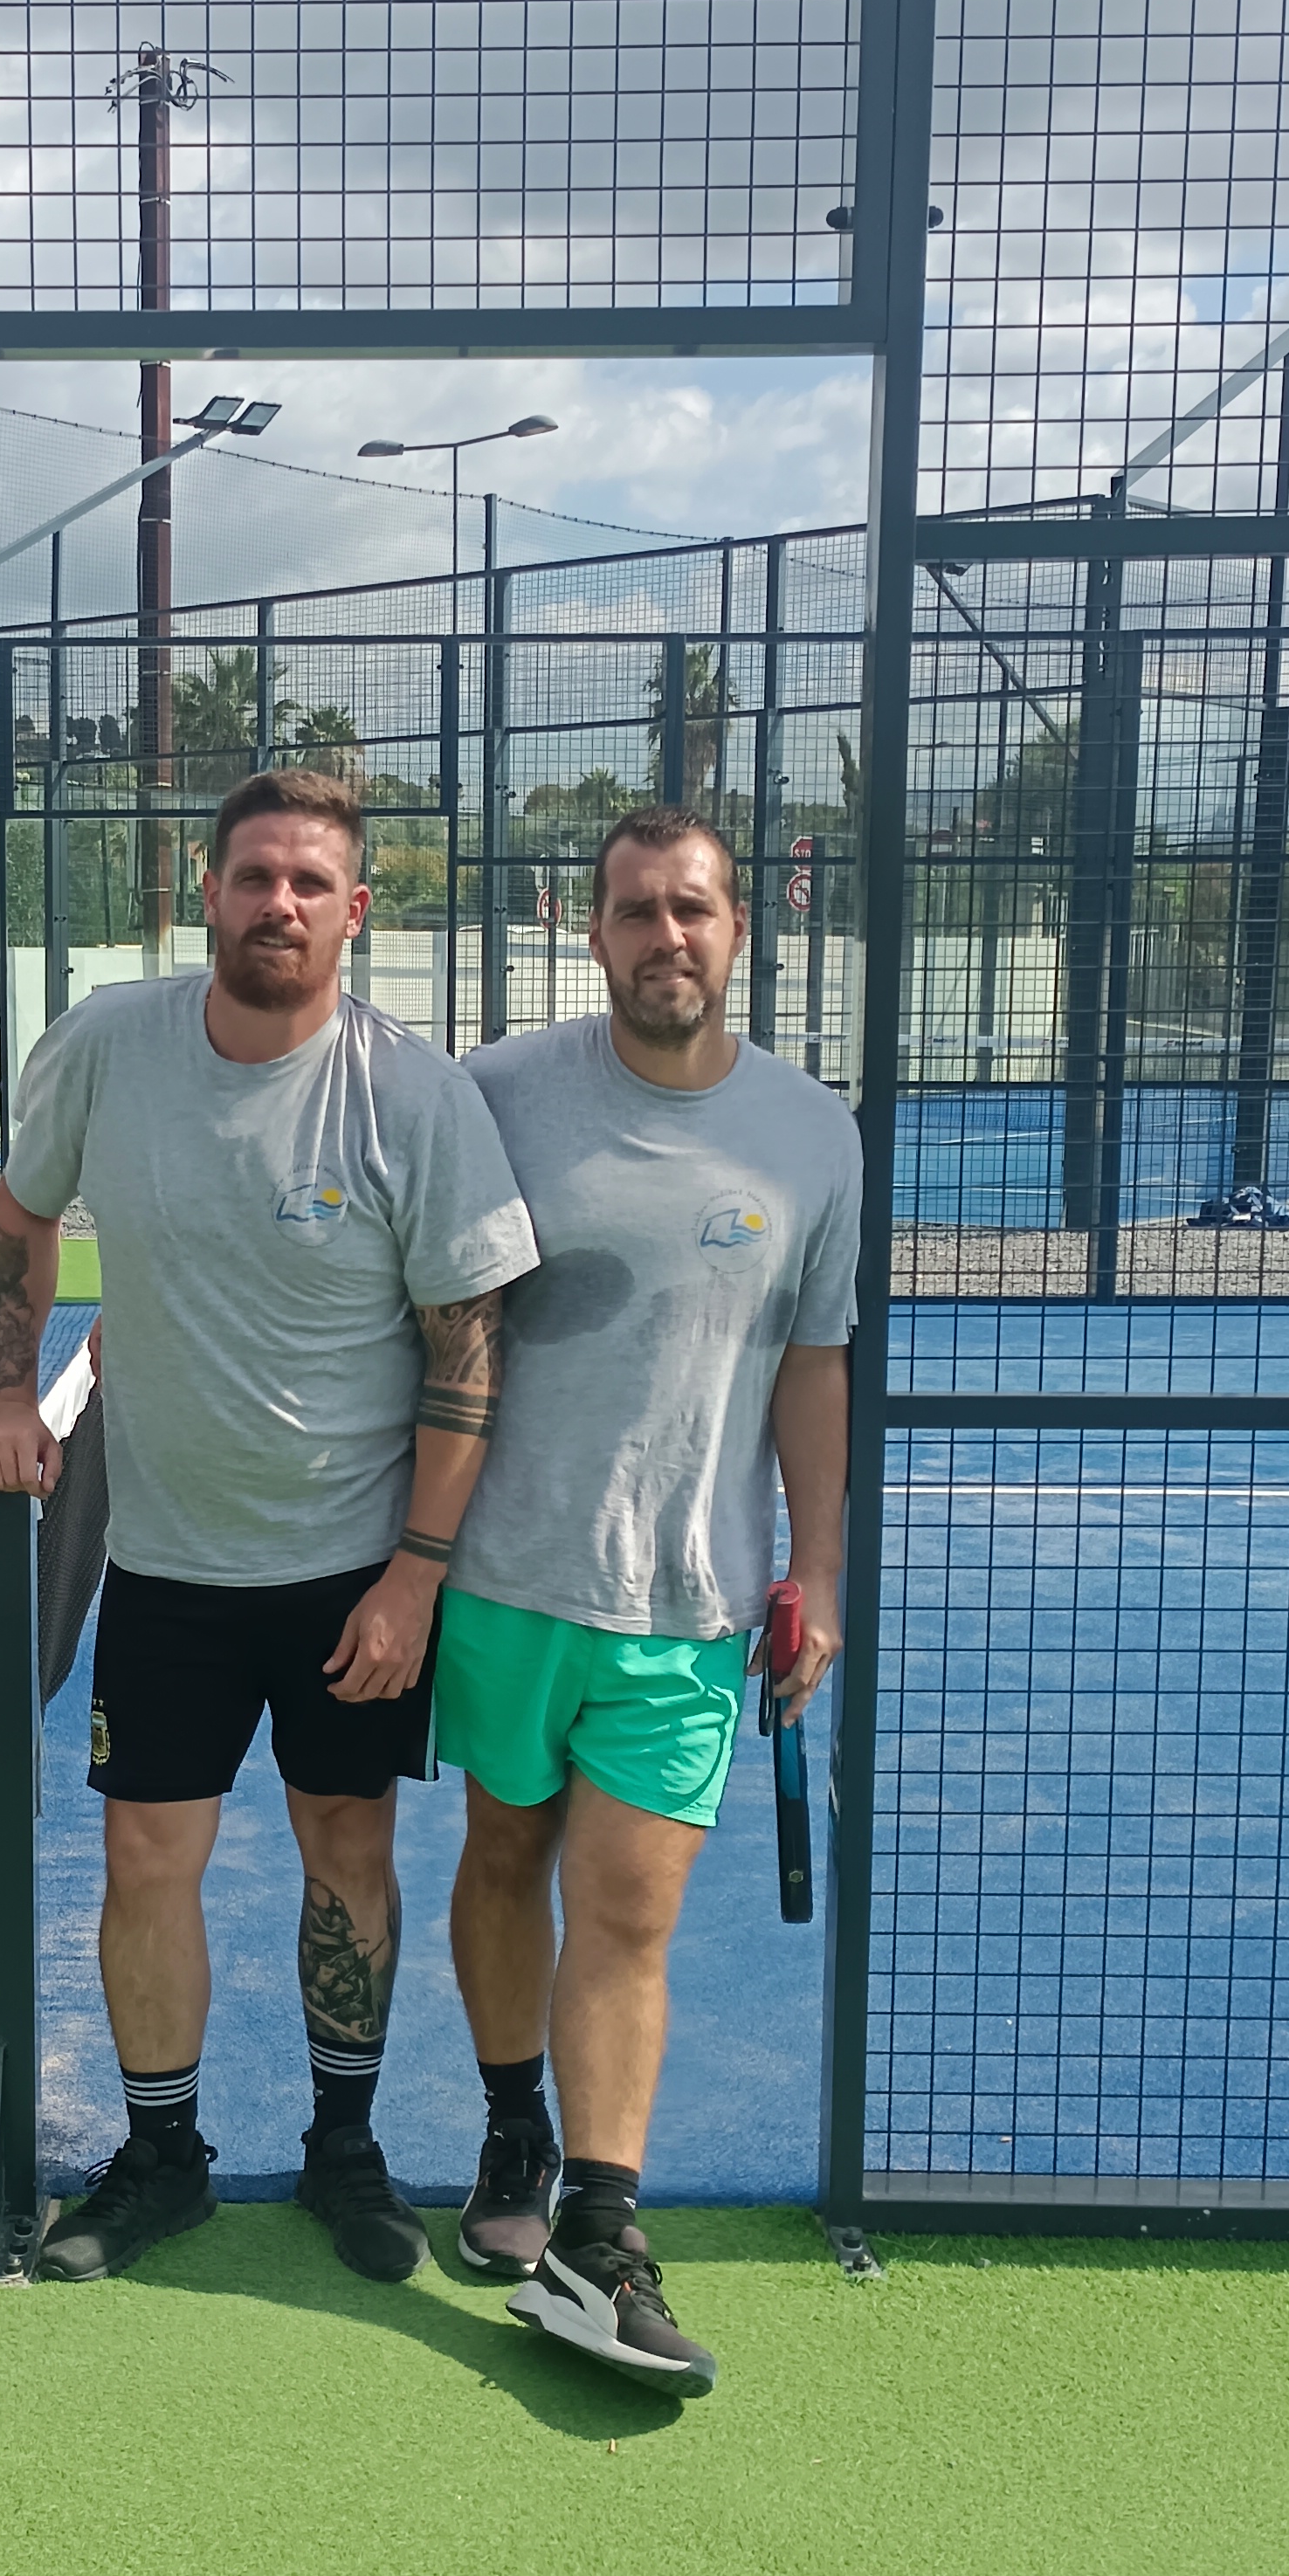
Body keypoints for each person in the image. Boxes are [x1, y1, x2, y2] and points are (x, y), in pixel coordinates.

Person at [0, 766, 539, 2286]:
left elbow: (467, 1348)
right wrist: (12, 1394)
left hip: (351, 1576)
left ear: (356, 911)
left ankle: (344, 2148)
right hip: (164, 1566)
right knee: (145, 1857)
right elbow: (18, 1218)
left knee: (347, 1846)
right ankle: (163, 2157)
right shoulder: (108, 1046)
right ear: (205, 892)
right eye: (254, 876)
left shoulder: (412, 1095)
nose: (278, 903)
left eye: (310, 883)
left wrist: (414, 1578)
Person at [440, 806, 858, 2387]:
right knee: (504, 1856)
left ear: (738, 928)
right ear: (594, 931)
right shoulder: (498, 1094)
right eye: (636, 910)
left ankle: (600, 2234)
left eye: (692, 908)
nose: (664, 935)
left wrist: (817, 1569)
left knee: (628, 1911)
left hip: (687, 1605)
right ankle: (513, 2131)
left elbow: (813, 1364)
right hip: (503, 1579)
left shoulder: (813, 1135)